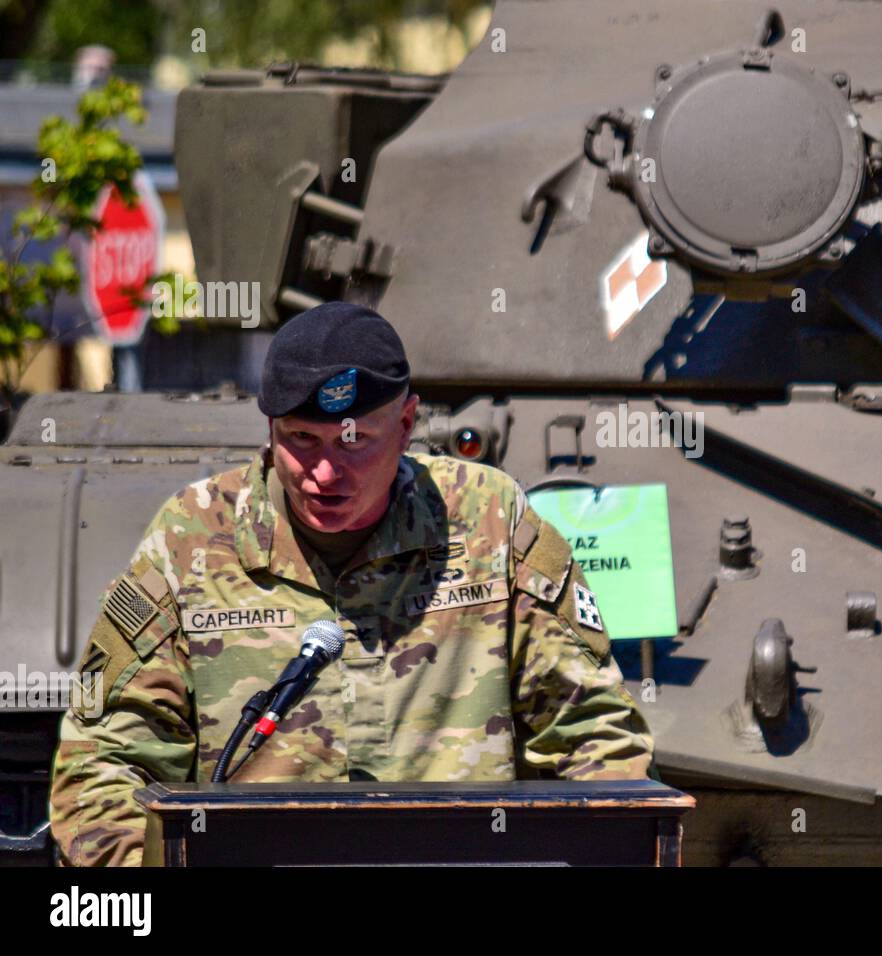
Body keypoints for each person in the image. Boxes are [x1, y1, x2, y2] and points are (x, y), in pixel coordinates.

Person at [48, 301, 654, 866]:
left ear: (408, 422)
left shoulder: (489, 523)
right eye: (300, 441)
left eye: (355, 440)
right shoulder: (194, 539)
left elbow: (593, 734)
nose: (324, 473)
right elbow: (105, 764)